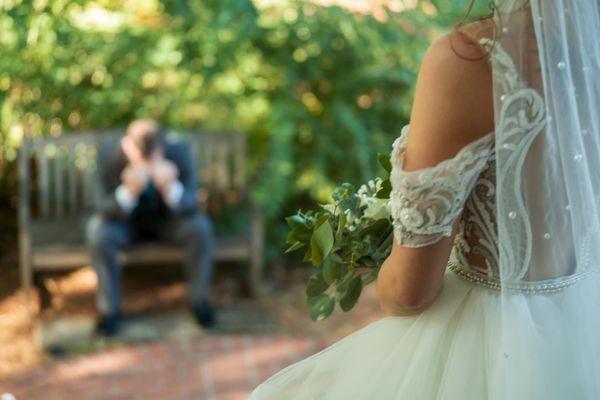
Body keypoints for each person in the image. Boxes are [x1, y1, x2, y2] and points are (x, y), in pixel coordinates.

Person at [250, 0, 600, 398]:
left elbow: (408, 293)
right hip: (581, 328)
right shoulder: (589, 50)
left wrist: (377, 260)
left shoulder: (469, 60)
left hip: (481, 351)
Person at [86, 118, 216, 336]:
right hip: (124, 223)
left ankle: (200, 302)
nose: (149, 162)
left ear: (162, 146)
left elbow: (192, 203)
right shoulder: (108, 154)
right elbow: (100, 206)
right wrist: (128, 191)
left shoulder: (179, 152)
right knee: (98, 232)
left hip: (167, 222)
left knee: (200, 228)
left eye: (154, 156)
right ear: (127, 145)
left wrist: (170, 188)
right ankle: (109, 311)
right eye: (142, 158)